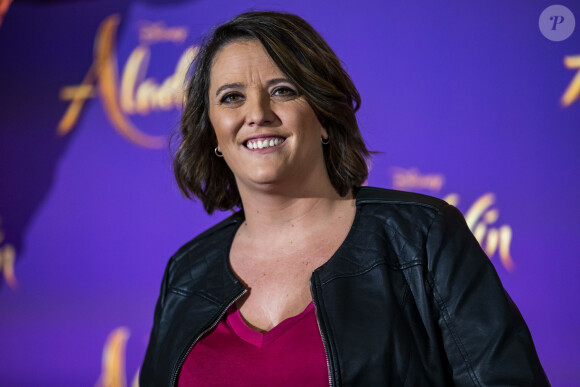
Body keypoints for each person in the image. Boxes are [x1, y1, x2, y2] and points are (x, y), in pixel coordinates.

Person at [140, 11, 549, 386]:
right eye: (231, 97)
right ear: (213, 131)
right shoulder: (186, 273)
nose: (257, 112)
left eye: (282, 90)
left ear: (323, 117)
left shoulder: (422, 237)